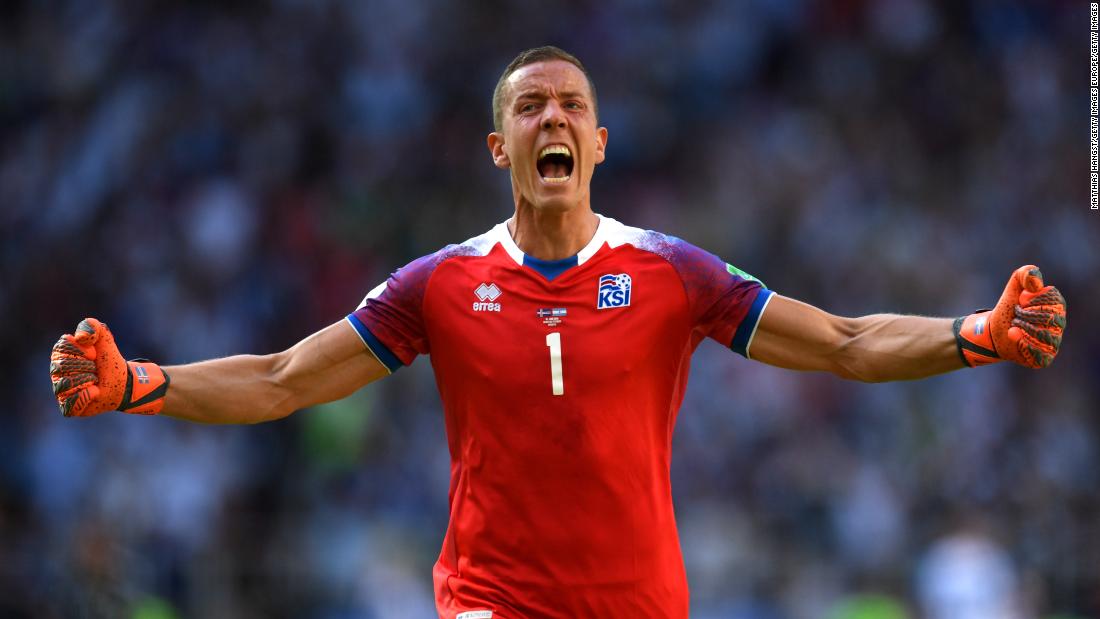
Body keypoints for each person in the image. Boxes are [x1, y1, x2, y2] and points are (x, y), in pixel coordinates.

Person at [49, 46, 1066, 619]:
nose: (553, 121)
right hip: (490, 602)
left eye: (572, 106)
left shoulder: (671, 272)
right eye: (530, 107)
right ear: (500, 145)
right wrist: (140, 381)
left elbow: (843, 341)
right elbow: (279, 378)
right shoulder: (437, 284)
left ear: (599, 141)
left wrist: (973, 332)